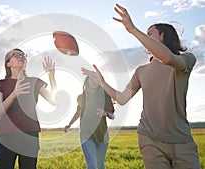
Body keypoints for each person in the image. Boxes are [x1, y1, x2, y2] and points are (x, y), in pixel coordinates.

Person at [82, 4, 200, 169]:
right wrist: (102, 82)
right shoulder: (141, 71)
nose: (146, 38)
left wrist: (132, 30)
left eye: (150, 34)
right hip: (150, 139)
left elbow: (167, 58)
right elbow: (122, 99)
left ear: (163, 36)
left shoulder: (187, 59)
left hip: (182, 141)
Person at [0, 48, 57, 169]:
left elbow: (54, 101)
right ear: (8, 63)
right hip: (7, 136)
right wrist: (14, 94)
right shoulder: (1, 84)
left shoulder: (34, 82)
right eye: (16, 54)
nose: (21, 56)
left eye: (23, 55)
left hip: (30, 135)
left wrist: (51, 77)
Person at [64, 76, 115, 169]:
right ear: (87, 81)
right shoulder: (81, 97)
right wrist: (69, 124)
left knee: (100, 165)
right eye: (91, 79)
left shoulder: (105, 96)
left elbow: (112, 116)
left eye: (96, 79)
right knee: (92, 165)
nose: (94, 81)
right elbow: (78, 112)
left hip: (102, 134)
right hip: (86, 134)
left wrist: (105, 113)